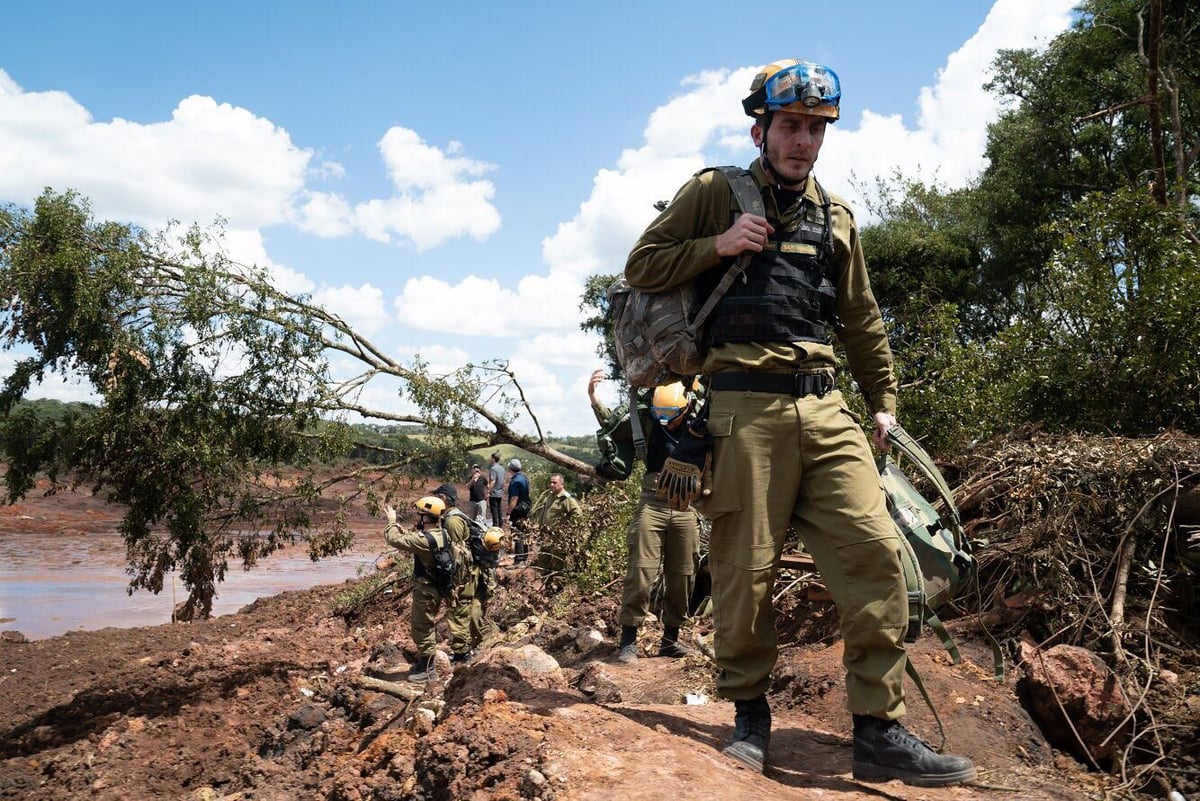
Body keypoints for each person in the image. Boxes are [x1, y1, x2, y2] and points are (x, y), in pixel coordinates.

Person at [623, 59, 975, 786]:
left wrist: (883, 401)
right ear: (761, 128)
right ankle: (749, 716)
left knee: (875, 551)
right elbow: (641, 264)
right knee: (744, 569)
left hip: (824, 406)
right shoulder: (715, 193)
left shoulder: (835, 215)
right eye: (791, 126)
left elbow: (861, 316)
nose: (803, 141)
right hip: (741, 406)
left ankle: (878, 729)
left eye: (816, 129)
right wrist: (716, 246)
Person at [588, 369, 698, 663]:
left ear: (686, 406)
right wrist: (594, 398)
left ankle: (670, 640)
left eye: (671, 414)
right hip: (652, 505)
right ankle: (628, 642)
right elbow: (616, 425)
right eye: (660, 413)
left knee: (683, 576)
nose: (665, 419)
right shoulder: (649, 420)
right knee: (641, 572)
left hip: (687, 509)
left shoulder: (701, 420)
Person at [382, 484, 477, 682]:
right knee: (427, 624)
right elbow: (416, 538)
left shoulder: (424, 540)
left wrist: (391, 522)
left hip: (426, 590)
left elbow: (393, 539)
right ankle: (430, 664)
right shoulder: (443, 533)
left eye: (420, 515)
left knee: (422, 626)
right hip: (438, 586)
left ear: (426, 517)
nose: (418, 518)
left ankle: (427, 668)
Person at [505, 459, 532, 563]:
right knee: (524, 532)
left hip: (518, 510)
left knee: (517, 533)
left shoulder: (515, 481)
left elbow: (514, 499)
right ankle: (525, 556)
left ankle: (520, 559)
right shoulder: (524, 477)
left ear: (510, 468)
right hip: (525, 508)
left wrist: (508, 513)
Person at [487, 452, 506, 527]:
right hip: (500, 493)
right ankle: (500, 526)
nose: (490, 459)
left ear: (493, 459)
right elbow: (503, 481)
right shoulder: (502, 468)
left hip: (494, 493)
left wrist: (488, 491)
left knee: (494, 510)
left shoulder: (493, 468)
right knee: (499, 510)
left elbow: (493, 481)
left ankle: (495, 526)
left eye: (491, 458)